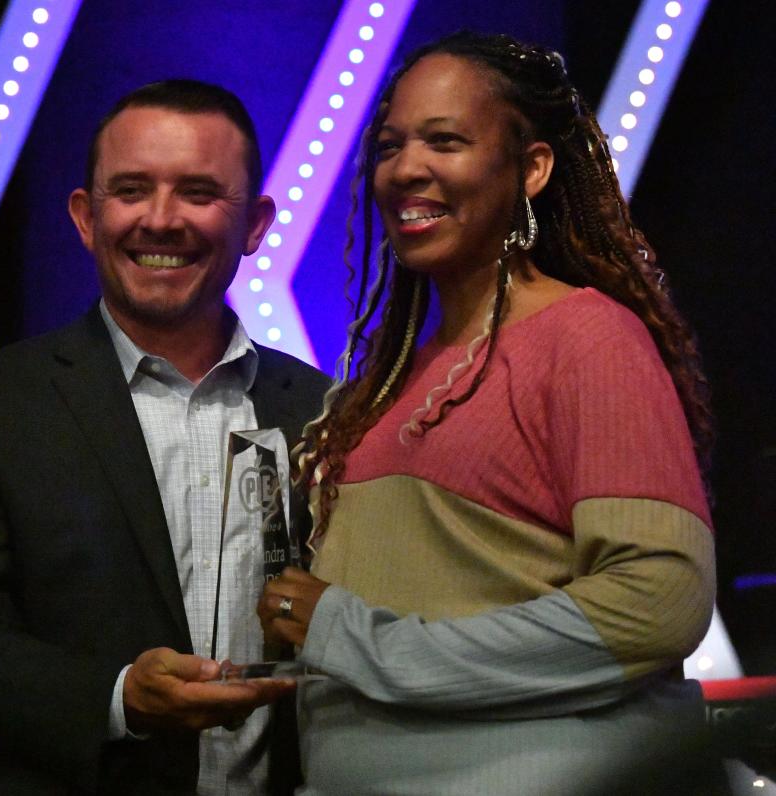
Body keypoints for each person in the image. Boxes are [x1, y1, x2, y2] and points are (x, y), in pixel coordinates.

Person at [258, 31, 720, 794]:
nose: (407, 169)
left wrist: (358, 641)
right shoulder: (384, 380)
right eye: (389, 145)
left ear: (531, 168)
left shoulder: (587, 337)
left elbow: (658, 601)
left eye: (446, 141)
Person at [0, 80, 330, 795]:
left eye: (198, 192)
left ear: (255, 225)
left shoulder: (325, 411)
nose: (161, 220)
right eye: (131, 190)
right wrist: (121, 695)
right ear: (86, 217)